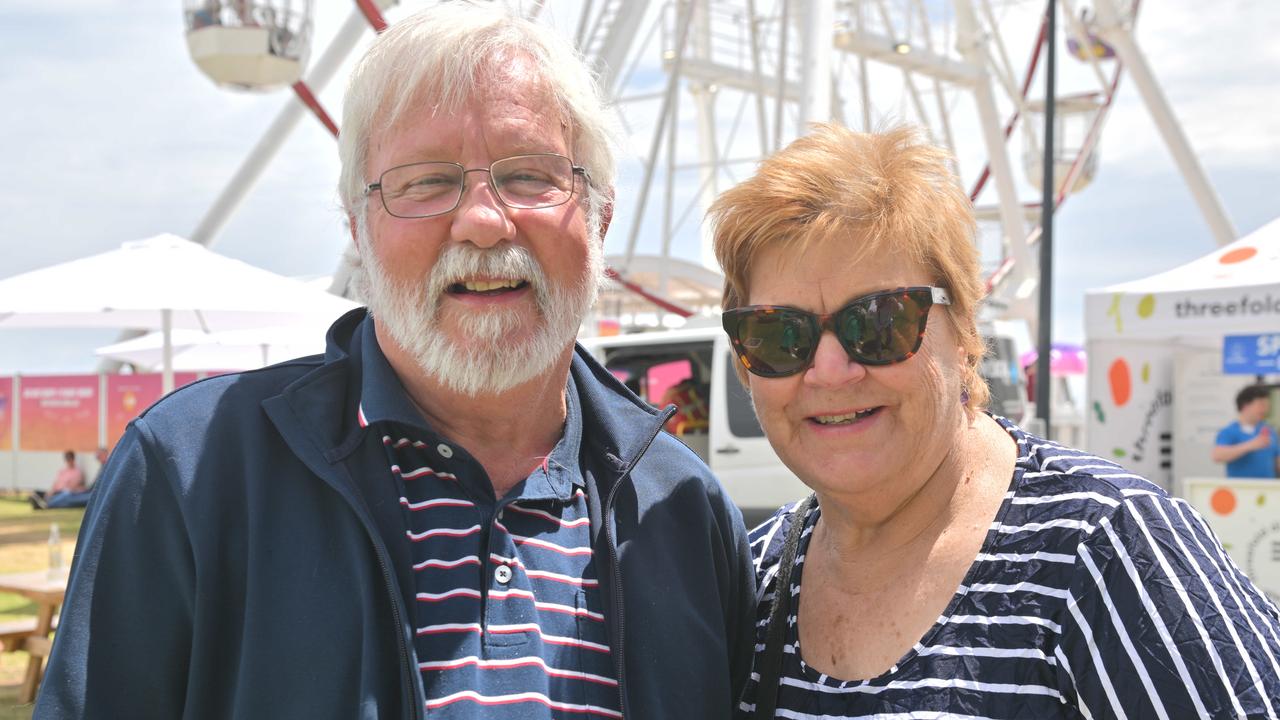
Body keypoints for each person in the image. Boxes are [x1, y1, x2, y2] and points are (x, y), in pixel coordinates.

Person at [36, 5, 754, 718]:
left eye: (530, 177)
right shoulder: (192, 473)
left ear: (599, 216)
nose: (482, 220)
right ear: (357, 227)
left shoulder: (682, 512)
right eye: (426, 182)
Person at [708, 123, 1280, 718]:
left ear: (963, 333)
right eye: (778, 335)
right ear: (746, 365)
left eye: (878, 323)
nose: (829, 371)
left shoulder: (1109, 551)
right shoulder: (757, 575)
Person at [1213, 384, 1279, 478]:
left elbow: (1277, 462)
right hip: (1240, 489)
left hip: (1266, 489)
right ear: (1245, 406)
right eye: (1261, 405)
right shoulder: (1229, 432)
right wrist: (1251, 445)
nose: (1265, 409)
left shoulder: (1270, 431)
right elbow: (1217, 455)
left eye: (1267, 405)